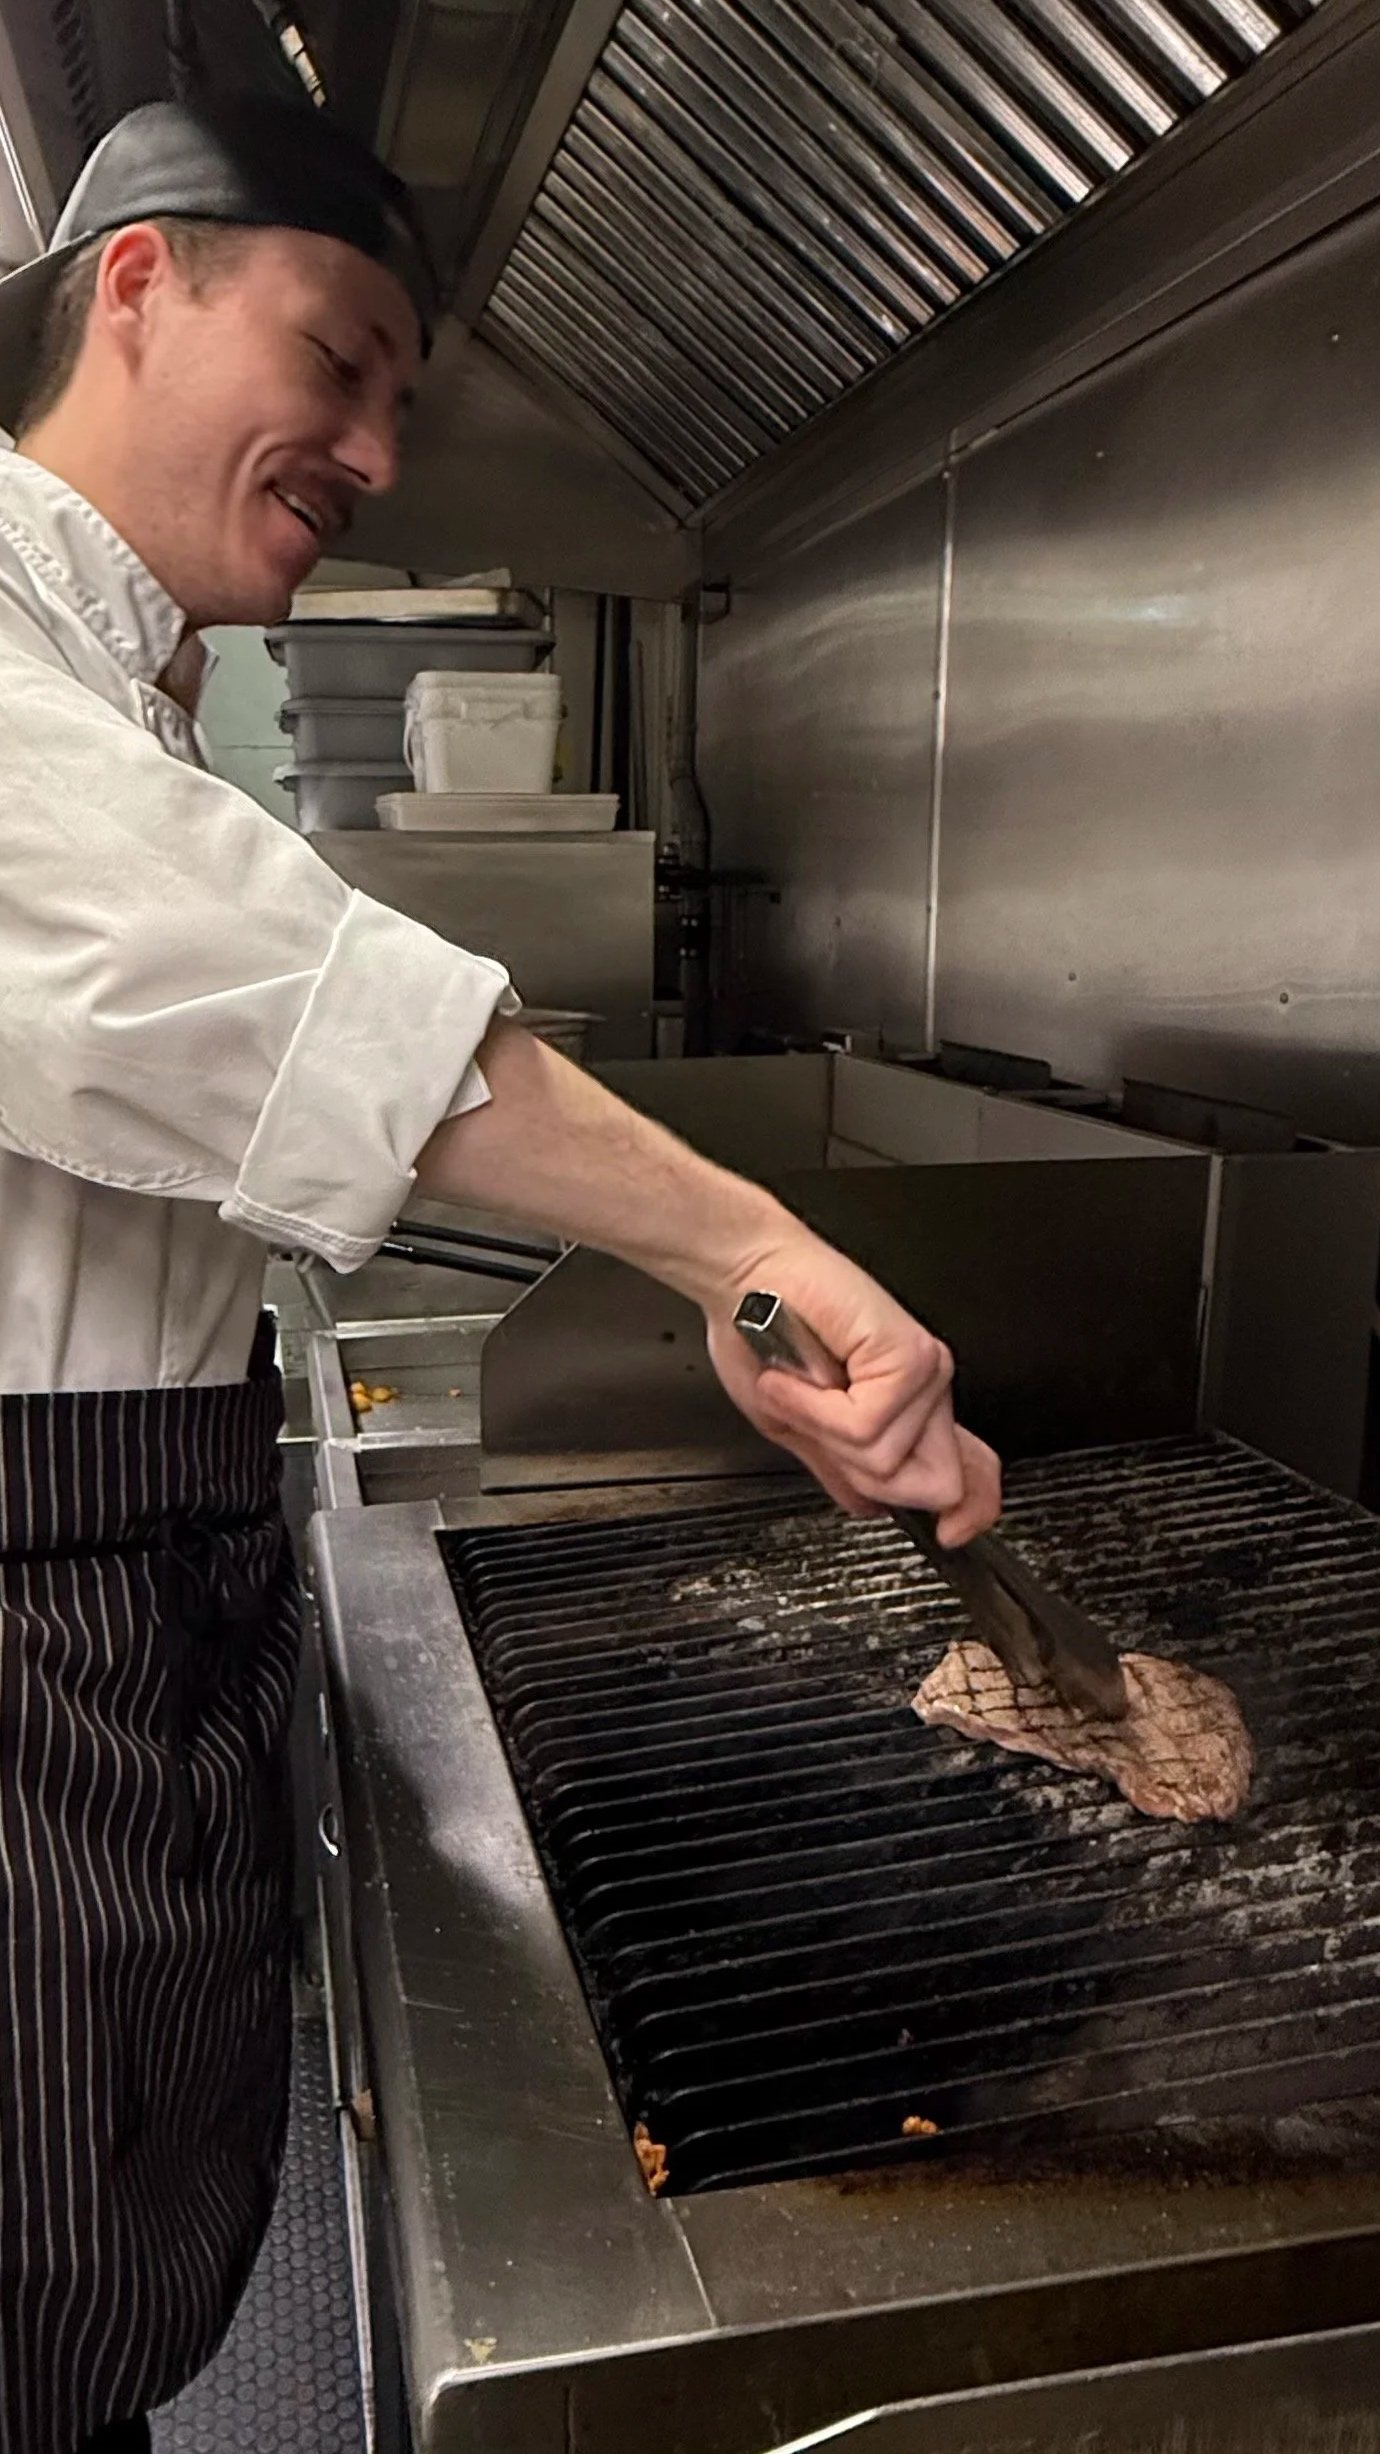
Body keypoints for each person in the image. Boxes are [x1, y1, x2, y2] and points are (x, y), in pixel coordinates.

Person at [0, 91, 1001, 2454]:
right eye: (333, 355)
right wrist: (755, 1249)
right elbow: (242, 997)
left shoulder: (110, 676)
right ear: (135, 281)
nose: (367, 444)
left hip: (110, 1563)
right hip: (29, 1597)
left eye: (401, 406)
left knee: (78, 2288)